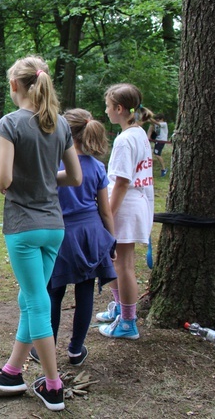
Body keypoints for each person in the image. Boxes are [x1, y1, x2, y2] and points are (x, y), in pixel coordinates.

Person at [0, 56, 81, 412]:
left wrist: (7, 184)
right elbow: (75, 177)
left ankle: (52, 385)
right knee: (29, 298)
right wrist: (48, 180)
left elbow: (3, 179)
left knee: (36, 301)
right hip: (54, 228)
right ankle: (12, 371)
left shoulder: (11, 124)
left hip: (23, 227)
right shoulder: (60, 124)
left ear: (14, 85)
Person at [28, 109, 117, 367]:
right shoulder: (98, 167)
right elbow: (105, 211)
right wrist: (111, 241)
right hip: (90, 235)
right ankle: (76, 350)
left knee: (53, 292)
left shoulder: (52, 163)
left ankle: (47, 349)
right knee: (85, 291)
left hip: (60, 234)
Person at [95, 84, 154, 340]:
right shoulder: (138, 133)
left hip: (126, 209)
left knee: (124, 265)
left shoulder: (124, 140)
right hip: (135, 205)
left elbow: (121, 182)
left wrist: (106, 214)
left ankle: (128, 322)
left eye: (108, 106)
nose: (106, 111)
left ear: (119, 108)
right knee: (115, 261)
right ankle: (121, 309)